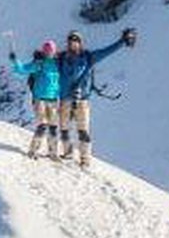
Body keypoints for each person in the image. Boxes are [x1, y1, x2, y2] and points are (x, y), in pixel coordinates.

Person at [55, 27, 138, 166]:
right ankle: (68, 153)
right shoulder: (61, 58)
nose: (73, 43)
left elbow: (107, 51)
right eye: (71, 40)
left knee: (83, 130)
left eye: (76, 40)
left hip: (82, 100)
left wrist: (121, 42)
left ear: (80, 42)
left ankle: (85, 159)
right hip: (65, 99)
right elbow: (47, 63)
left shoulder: (88, 57)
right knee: (64, 129)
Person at [8, 40, 66, 158]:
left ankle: (53, 153)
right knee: (42, 125)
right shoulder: (39, 63)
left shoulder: (58, 64)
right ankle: (33, 151)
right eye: (47, 51)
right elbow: (22, 69)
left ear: (54, 51)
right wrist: (15, 61)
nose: (48, 53)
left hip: (53, 99)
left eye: (50, 51)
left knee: (53, 127)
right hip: (40, 99)